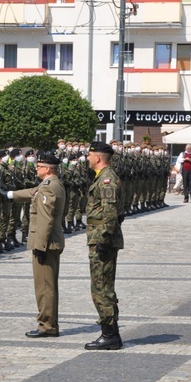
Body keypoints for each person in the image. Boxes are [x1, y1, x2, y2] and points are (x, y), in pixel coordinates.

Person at [6, 151, 65, 338]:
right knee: (47, 285)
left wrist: (40, 246)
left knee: (44, 288)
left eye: (39, 167)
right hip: (50, 242)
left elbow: (46, 220)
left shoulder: (48, 187)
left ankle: (47, 325)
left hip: (46, 244)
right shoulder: (51, 184)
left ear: (47, 169)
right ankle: (49, 322)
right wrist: (10, 194)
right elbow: (33, 193)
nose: (36, 169)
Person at [84, 141, 124, 350]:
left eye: (89, 155)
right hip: (100, 238)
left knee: (102, 288)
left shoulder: (107, 180)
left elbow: (110, 213)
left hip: (102, 240)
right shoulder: (102, 178)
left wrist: (104, 239)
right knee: (101, 286)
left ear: (97, 158)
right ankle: (111, 332)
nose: (87, 158)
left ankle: (109, 335)